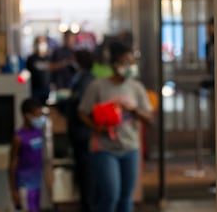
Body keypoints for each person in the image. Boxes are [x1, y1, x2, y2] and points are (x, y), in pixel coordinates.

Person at [78, 42, 153, 212]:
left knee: (126, 198)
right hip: (105, 149)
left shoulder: (136, 87)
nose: (130, 67)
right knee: (111, 195)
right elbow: (82, 112)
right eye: (126, 62)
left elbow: (149, 118)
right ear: (114, 64)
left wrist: (133, 110)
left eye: (132, 63)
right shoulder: (97, 86)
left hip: (130, 147)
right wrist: (96, 127)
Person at [9, 98, 52, 212]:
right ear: (28, 116)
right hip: (24, 186)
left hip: (38, 183)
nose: (40, 119)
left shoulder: (38, 132)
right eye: (37, 115)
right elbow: (12, 165)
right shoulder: (18, 138)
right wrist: (14, 191)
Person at [65, 50, 95, 212]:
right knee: (83, 171)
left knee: (87, 172)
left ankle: (88, 206)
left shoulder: (86, 80)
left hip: (84, 133)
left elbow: (82, 107)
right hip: (79, 132)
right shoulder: (82, 78)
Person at [26, 36, 51, 104]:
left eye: (43, 43)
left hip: (46, 89)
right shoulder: (31, 58)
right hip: (35, 90)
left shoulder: (49, 58)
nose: (41, 45)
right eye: (39, 43)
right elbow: (26, 73)